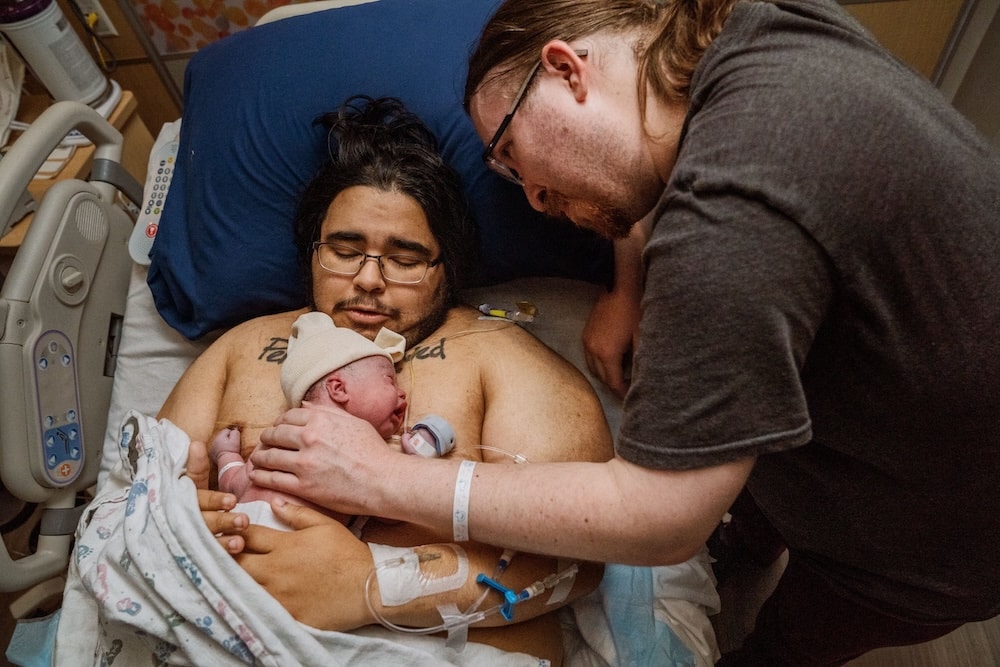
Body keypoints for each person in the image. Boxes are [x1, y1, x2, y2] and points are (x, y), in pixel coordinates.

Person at [244, 2, 1000, 665]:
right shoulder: (741, 35)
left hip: (930, 529)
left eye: (515, 158)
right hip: (865, 392)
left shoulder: (734, 225)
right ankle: (746, 540)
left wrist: (383, 479)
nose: (536, 200)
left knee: (795, 638)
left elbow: (660, 516)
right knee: (750, 514)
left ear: (569, 70)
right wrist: (630, 276)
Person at [161, 95, 612, 664]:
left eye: (404, 258)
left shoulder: (505, 361)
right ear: (313, 254)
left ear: (448, 267)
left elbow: (578, 559)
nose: (369, 279)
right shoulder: (242, 346)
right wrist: (176, 520)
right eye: (345, 250)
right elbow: (122, 504)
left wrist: (372, 584)